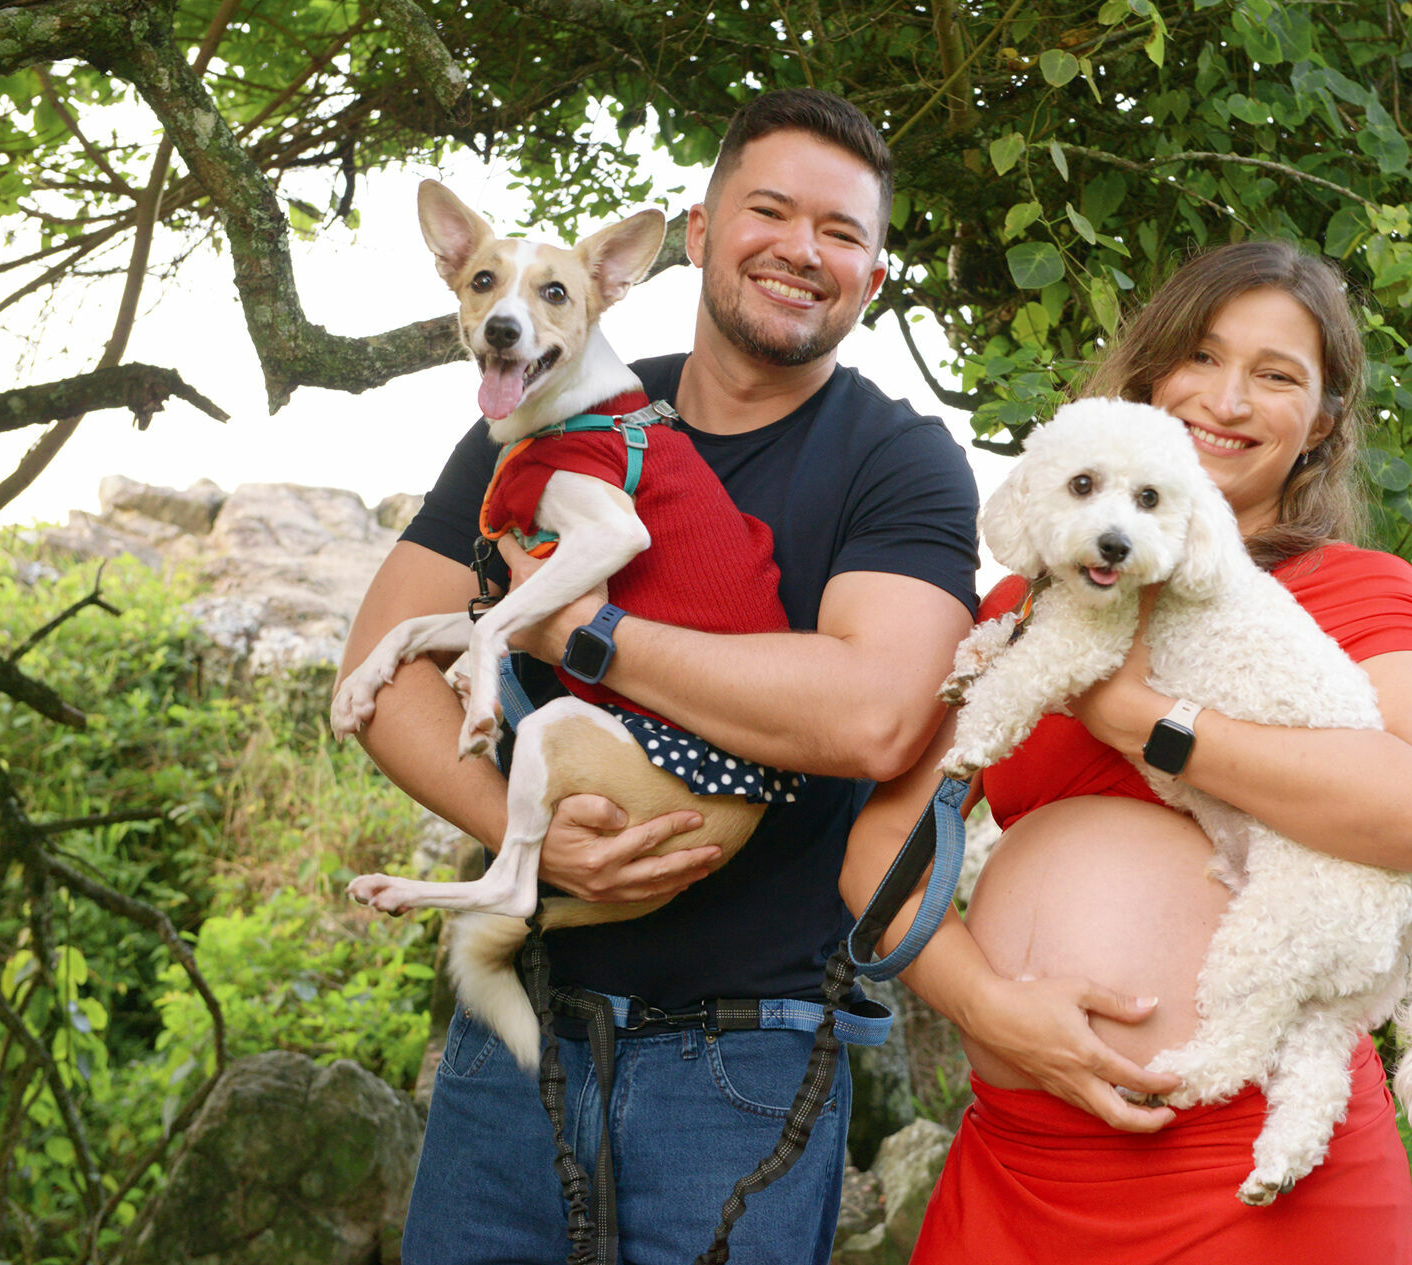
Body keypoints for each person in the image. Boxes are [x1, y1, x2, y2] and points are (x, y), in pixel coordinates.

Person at [339, 88, 979, 1265]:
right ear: (694, 234)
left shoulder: (900, 462)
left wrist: (576, 630)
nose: (801, 248)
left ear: (874, 277)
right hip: (519, 1036)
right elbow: (378, 669)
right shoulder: (540, 408)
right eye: (769, 211)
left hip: (748, 1055)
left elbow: (880, 719)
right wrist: (530, 838)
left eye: (841, 232)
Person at [840, 241, 1412, 1261]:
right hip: (1022, 1170)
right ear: (1150, 376)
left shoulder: (1355, 592)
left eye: (1276, 376)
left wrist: (1144, 720)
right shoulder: (1028, 606)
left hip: (1257, 1184)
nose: (1227, 400)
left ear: (1319, 424)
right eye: (1201, 356)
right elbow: (880, 846)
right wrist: (987, 1008)